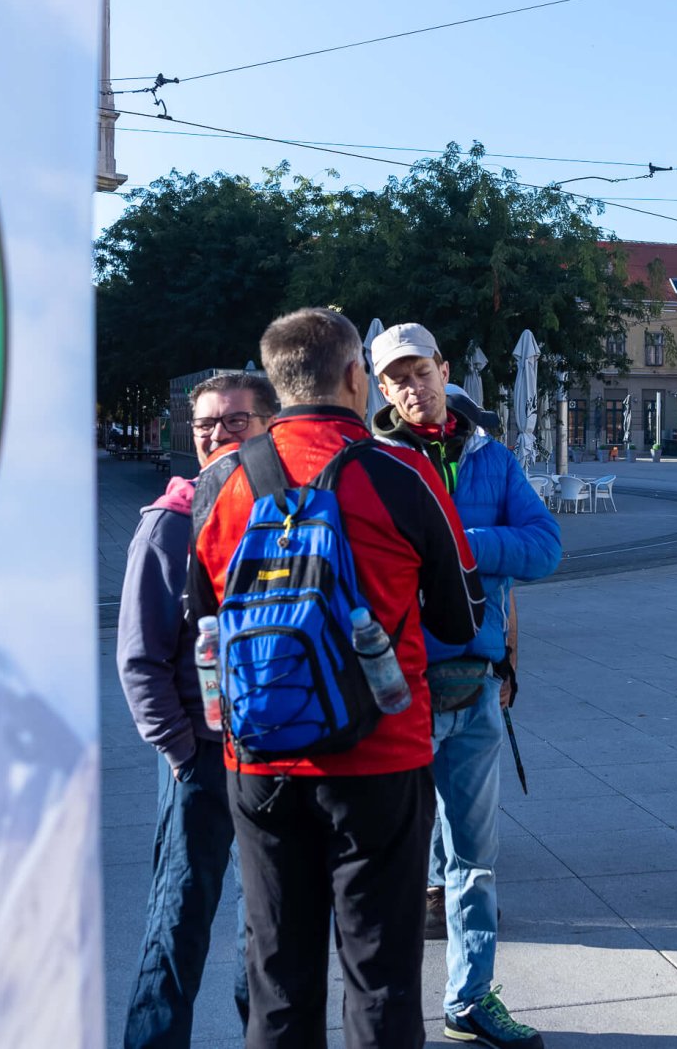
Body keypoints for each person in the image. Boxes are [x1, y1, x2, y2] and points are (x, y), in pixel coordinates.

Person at [187, 307, 484, 1049]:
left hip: (260, 757)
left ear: (276, 384)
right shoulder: (404, 472)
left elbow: (201, 615)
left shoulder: (221, 482)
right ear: (357, 377)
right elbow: (460, 616)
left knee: (277, 979)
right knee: (381, 978)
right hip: (381, 753)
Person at [369, 324, 562, 1049]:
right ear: (381, 389)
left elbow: (545, 548)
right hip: (399, 693)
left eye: (421, 371)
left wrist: (462, 543)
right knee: (393, 861)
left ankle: (469, 1000)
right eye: (397, 378)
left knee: (475, 860)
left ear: (444, 370)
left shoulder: (491, 457)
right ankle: (386, 1011)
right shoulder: (371, 463)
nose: (412, 387)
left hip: (475, 687)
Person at [117, 373, 278, 1048]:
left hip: (273, 755)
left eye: (235, 421)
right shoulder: (170, 522)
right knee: (177, 924)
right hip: (202, 758)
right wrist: (182, 752)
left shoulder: (288, 511)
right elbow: (140, 658)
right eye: (206, 423)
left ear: (270, 426)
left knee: (267, 931)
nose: (217, 434)